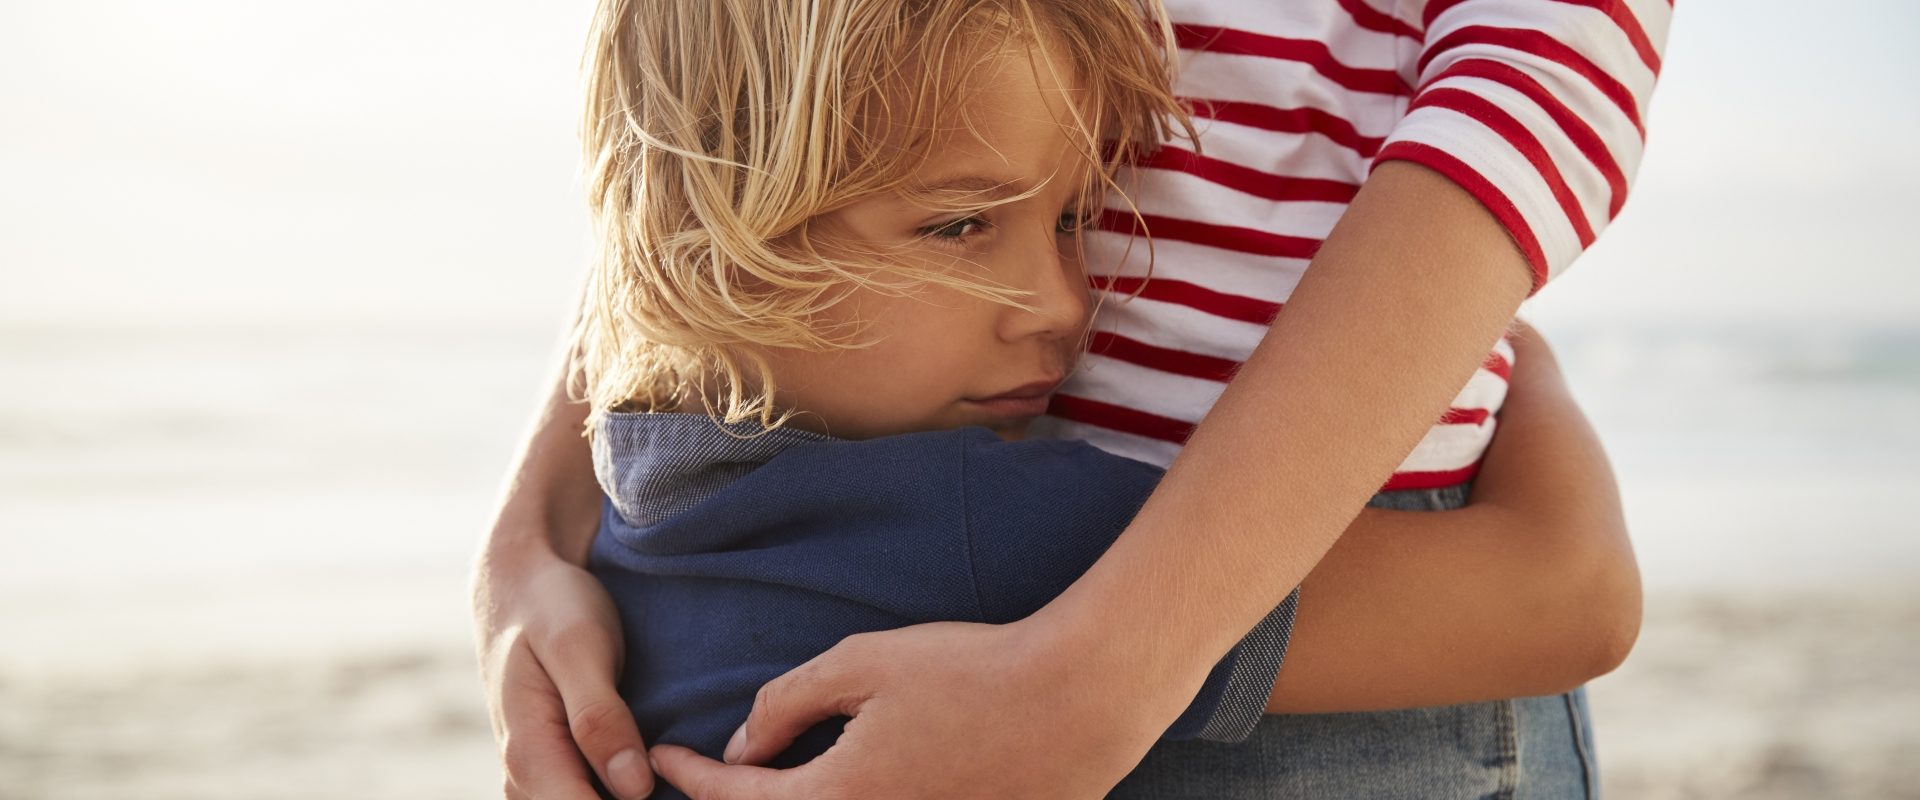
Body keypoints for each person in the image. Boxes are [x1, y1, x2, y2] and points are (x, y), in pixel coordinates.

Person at [471, 0, 1668, 797]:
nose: (1062, 301)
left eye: (1076, 219)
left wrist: (545, 515)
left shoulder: (665, 498)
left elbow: (1535, 76)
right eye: (960, 226)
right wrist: (1532, 370)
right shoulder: (995, 528)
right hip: (1273, 615)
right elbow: (1577, 595)